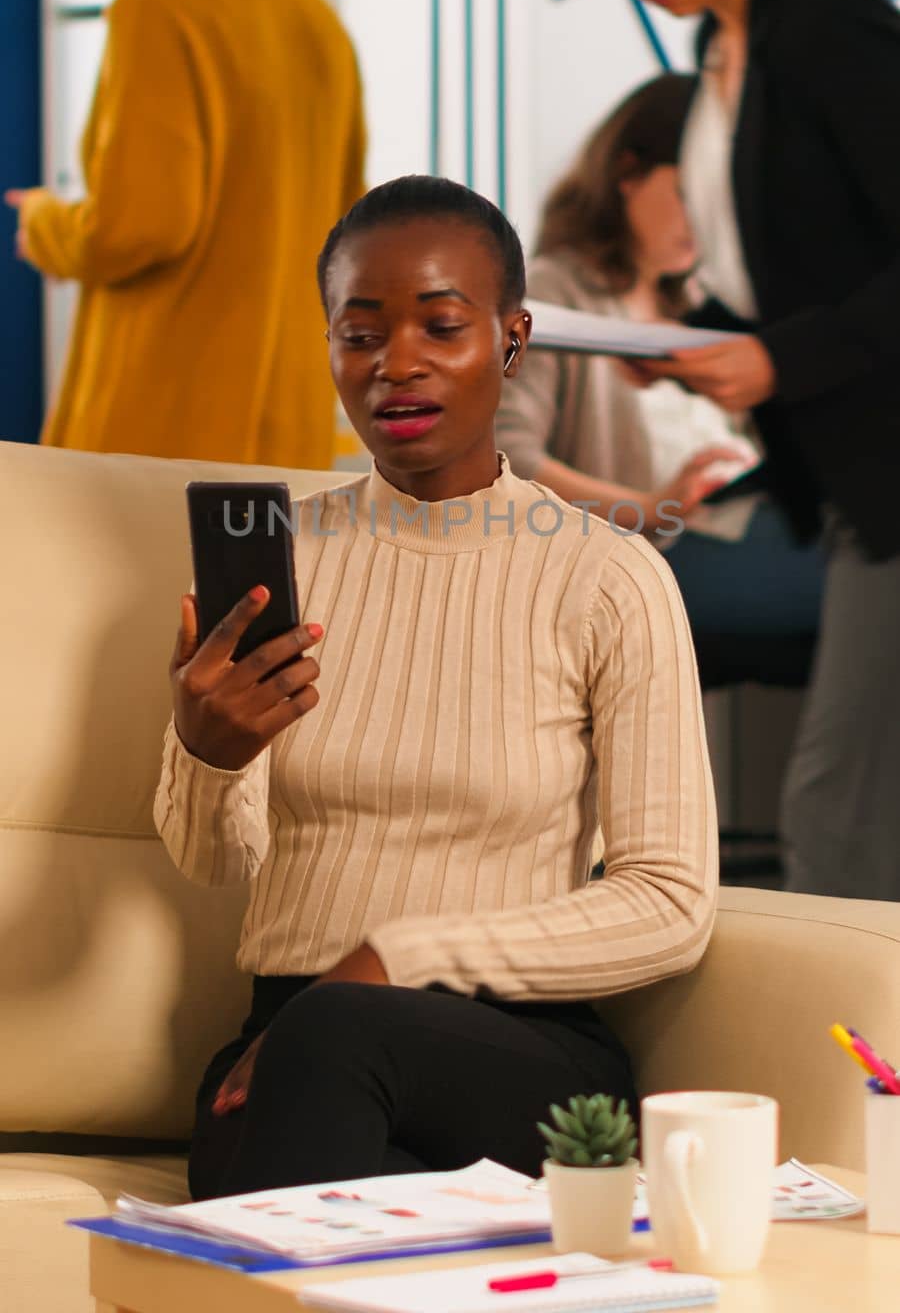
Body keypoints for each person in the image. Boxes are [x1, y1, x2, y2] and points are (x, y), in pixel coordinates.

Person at [155, 174, 717, 1200]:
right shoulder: (277, 561)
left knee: (322, 1058)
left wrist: (394, 955)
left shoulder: (609, 576)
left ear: (510, 339)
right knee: (321, 1122)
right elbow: (210, 862)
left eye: (441, 326)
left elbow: (671, 900)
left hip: (523, 1052)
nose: (395, 364)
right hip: (292, 1034)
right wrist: (208, 752)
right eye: (358, 334)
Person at [566, 0, 900, 899]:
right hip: (853, 475)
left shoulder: (825, 25)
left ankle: (844, 1067)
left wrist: (776, 361)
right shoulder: (724, 43)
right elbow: (795, 273)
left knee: (836, 805)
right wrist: (695, 339)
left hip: (887, 466)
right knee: (847, 801)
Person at [5, 0, 365, 468]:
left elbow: (138, 226)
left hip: (163, 427)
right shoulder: (317, 22)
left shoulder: (155, 13)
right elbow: (348, 223)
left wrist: (49, 225)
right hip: (286, 422)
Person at [495, 73, 824, 655]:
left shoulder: (703, 307)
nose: (710, 224)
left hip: (736, 530)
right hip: (646, 556)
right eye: (695, 196)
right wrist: (653, 510)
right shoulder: (554, 292)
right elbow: (510, 465)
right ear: (627, 174)